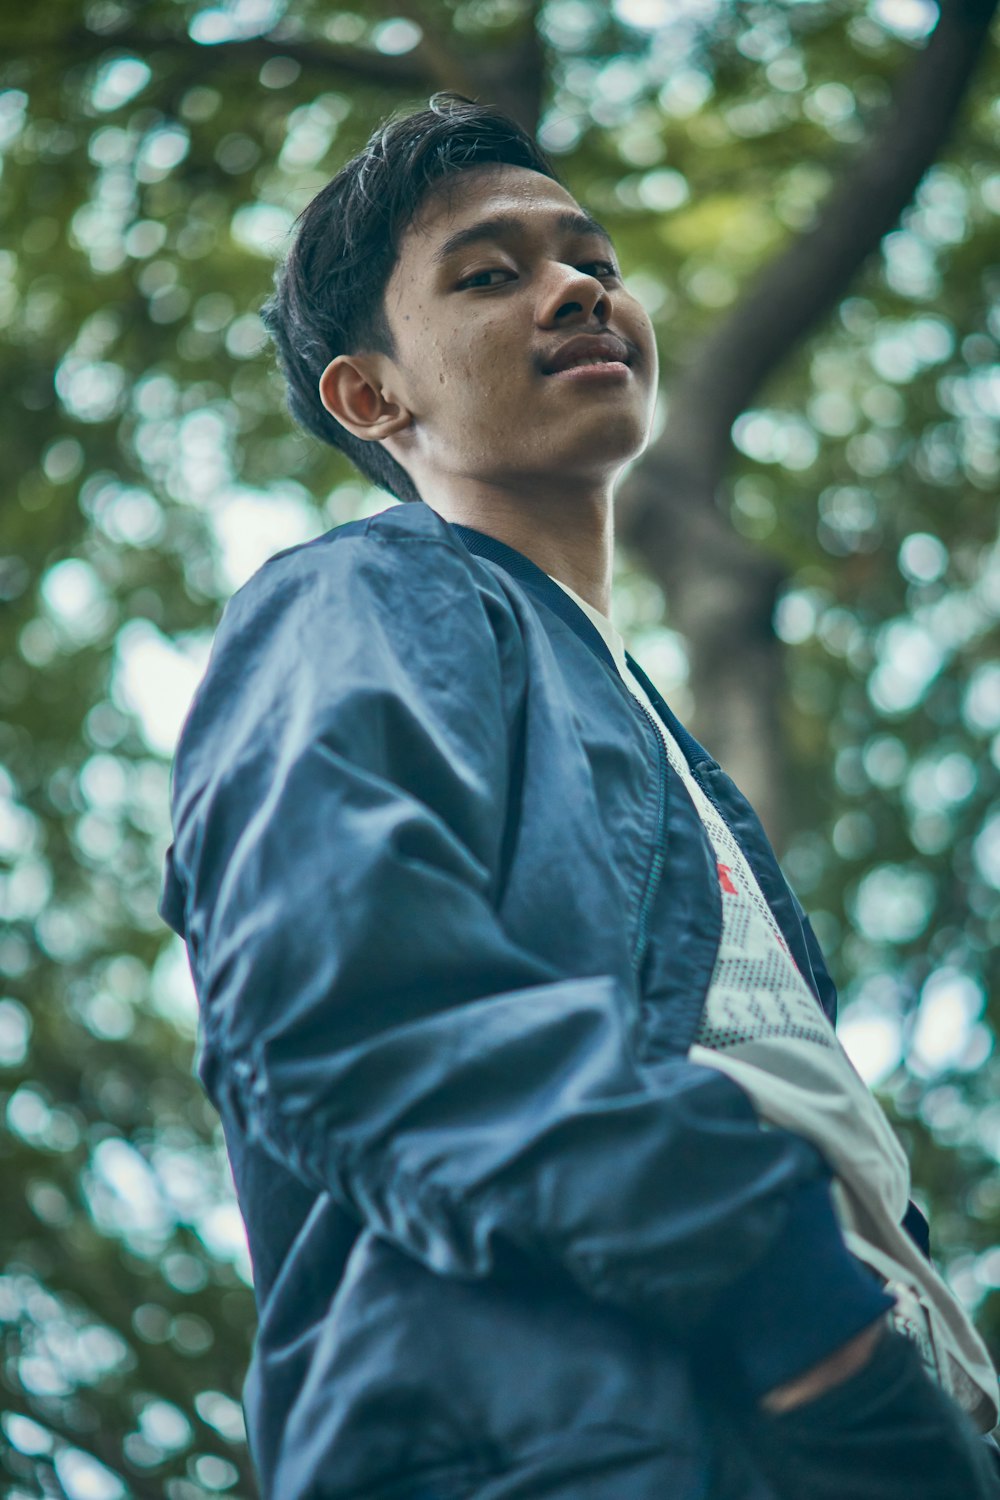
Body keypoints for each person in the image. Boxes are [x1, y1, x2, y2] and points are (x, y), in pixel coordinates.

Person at [159, 93, 1000, 1500]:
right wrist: (802, 1315)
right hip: (614, 1436)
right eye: (491, 274)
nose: (574, 291)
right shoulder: (369, 596)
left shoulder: (668, 755)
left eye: (591, 262)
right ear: (374, 395)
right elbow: (343, 993)